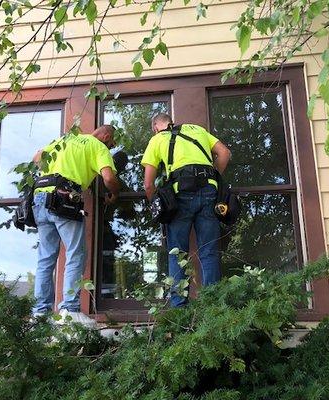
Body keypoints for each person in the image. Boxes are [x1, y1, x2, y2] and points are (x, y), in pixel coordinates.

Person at [31, 125, 120, 324]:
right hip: (64, 199)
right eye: (112, 142)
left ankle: (40, 313)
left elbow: (36, 157)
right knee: (75, 253)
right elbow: (108, 177)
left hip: (40, 197)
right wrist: (115, 193)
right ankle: (69, 310)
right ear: (105, 135)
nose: (111, 145)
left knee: (45, 258)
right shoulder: (98, 146)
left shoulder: (65, 139)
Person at [141, 113, 231, 307]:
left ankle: (179, 309)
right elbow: (224, 153)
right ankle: (212, 308)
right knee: (209, 252)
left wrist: (157, 207)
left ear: (156, 127)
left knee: (178, 253)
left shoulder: (158, 139)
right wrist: (213, 178)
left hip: (180, 195)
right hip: (209, 193)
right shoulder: (197, 130)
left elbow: (148, 184)